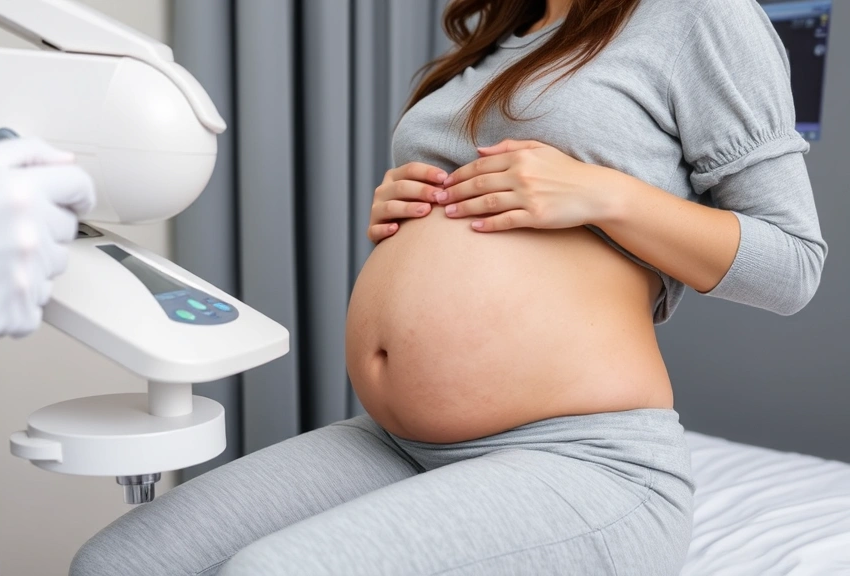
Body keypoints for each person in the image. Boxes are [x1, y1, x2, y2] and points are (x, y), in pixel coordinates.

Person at [70, 0, 826, 574]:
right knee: (117, 565)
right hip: (396, 442)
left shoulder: (699, 16)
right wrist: (405, 209)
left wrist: (604, 194)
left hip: (582, 457)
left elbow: (792, 266)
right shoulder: (507, 32)